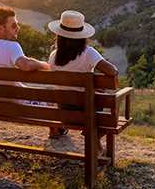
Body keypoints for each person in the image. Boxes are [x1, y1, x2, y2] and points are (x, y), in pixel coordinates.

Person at [47, 10, 119, 155]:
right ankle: (95, 142)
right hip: (87, 112)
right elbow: (112, 71)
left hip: (63, 110)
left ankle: (57, 128)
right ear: (82, 36)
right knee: (107, 108)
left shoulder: (53, 56)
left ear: (59, 35)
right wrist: (95, 85)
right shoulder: (88, 53)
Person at [0, 6, 50, 101]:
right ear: (1, 28)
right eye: (14, 25)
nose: (18, 28)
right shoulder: (10, 47)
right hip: (20, 105)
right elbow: (26, 66)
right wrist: (45, 66)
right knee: (50, 100)